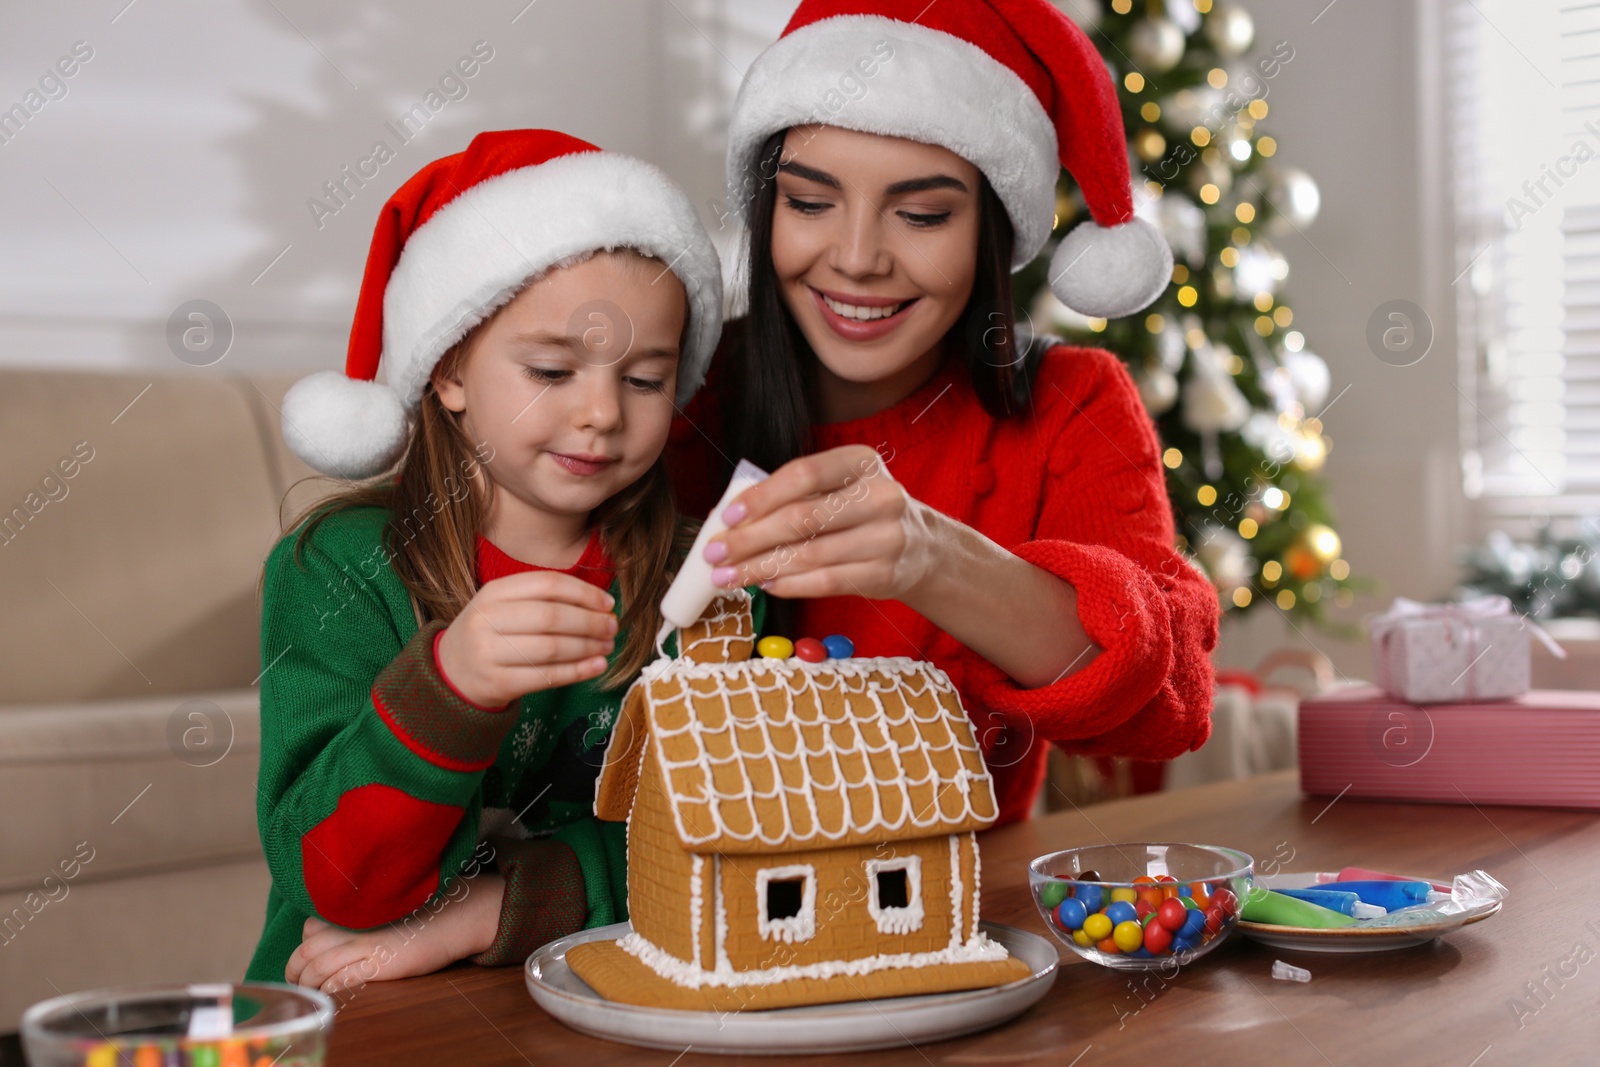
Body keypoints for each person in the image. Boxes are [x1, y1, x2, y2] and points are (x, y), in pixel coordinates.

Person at [666, 0, 1219, 825]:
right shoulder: (677, 383)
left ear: (993, 228)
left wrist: (933, 560)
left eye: (922, 214)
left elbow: (1170, 704)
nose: (855, 260)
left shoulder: (1073, 404)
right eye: (809, 203)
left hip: (956, 919)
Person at [243, 129, 747, 995]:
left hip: (610, 991)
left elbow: (723, 845)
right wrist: (450, 690)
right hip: (362, 1006)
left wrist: (491, 906)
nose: (600, 413)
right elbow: (332, 878)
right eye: (553, 369)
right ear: (449, 372)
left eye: (644, 379)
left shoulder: (703, 579)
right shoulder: (336, 569)